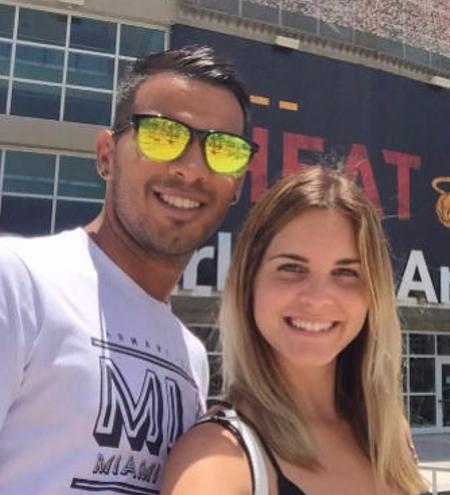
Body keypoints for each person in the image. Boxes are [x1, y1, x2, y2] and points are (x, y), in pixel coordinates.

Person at [0, 45, 258, 494]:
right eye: (162, 135)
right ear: (106, 154)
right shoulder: (18, 282)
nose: (193, 169)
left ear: (235, 185)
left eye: (223, 150)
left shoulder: (191, 357)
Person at [160, 167, 426, 495]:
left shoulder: (389, 437)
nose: (316, 298)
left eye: (346, 272)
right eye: (291, 268)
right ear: (249, 283)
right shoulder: (215, 462)